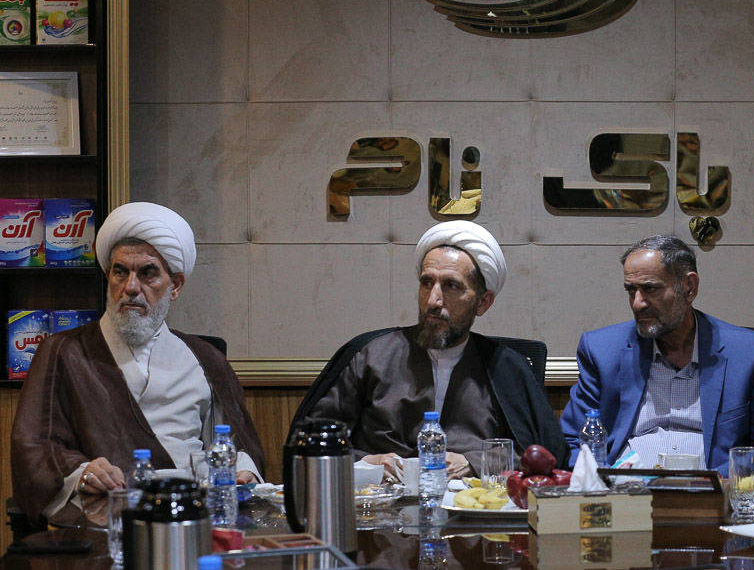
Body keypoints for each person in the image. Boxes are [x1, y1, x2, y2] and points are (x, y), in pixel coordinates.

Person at [11, 202, 265, 524]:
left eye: (147, 273)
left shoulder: (206, 360)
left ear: (175, 286)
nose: (131, 287)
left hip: (193, 516)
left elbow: (234, 447)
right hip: (106, 516)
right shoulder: (62, 352)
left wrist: (243, 471)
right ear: (108, 276)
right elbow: (34, 447)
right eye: (120, 272)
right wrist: (82, 472)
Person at [291, 220, 568, 479]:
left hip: (473, 510)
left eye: (451, 286)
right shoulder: (369, 356)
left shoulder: (506, 367)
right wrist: (366, 463)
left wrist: (475, 462)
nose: (433, 301)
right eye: (426, 283)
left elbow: (546, 456)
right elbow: (308, 445)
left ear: (483, 302)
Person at [559, 235, 754, 475]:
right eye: (631, 290)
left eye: (650, 289)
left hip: (714, 489)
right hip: (625, 489)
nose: (638, 304)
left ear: (689, 287)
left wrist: (719, 481)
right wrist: (606, 479)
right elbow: (573, 440)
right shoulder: (601, 350)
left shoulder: (748, 353)